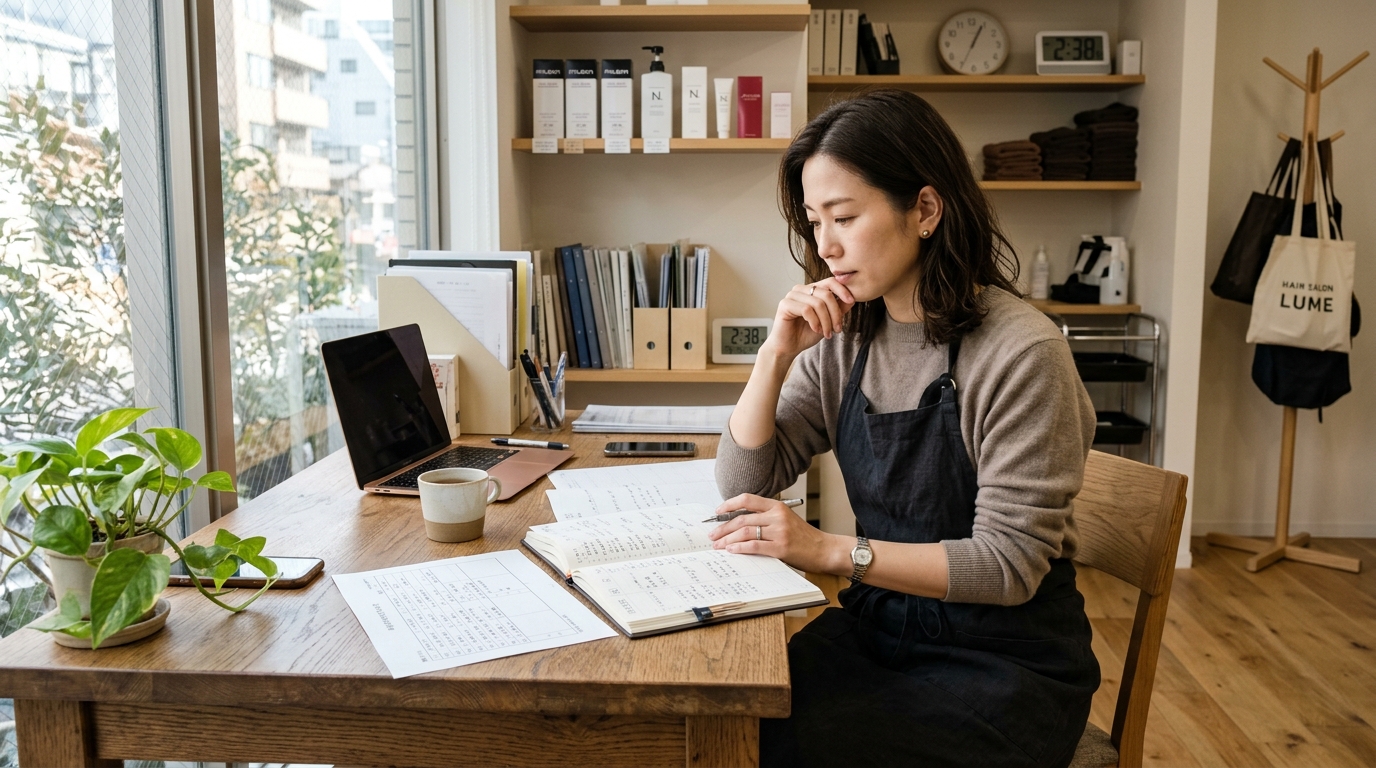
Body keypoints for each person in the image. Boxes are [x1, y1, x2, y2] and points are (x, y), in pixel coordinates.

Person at [709, 90, 1101, 768]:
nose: (824, 246)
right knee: (728, 724)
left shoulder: (1021, 352)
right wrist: (774, 355)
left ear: (924, 208)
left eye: (845, 217)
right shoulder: (842, 339)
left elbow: (1009, 566)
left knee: (789, 750)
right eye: (813, 221)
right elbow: (745, 480)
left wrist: (832, 551)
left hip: (1002, 664)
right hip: (877, 633)